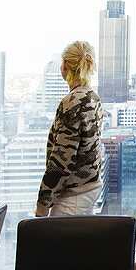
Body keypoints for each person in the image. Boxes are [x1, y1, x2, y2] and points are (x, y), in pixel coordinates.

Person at [34, 41, 104, 217]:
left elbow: (63, 159)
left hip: (73, 194)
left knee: (56, 243)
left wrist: (43, 203)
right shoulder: (92, 97)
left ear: (65, 65)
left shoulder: (71, 102)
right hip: (90, 187)